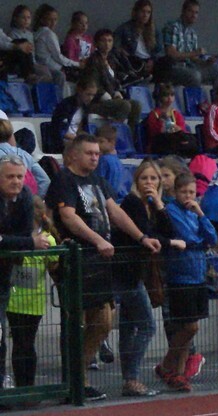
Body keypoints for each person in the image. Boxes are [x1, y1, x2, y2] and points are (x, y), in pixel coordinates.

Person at [46, 134, 161, 401]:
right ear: (73, 155)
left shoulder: (98, 180)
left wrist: (141, 237)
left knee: (103, 322)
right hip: (77, 261)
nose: (95, 157)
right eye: (89, 153)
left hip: (99, 263)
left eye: (97, 153)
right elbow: (68, 217)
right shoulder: (64, 180)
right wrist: (97, 240)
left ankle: (80, 374)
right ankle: (74, 381)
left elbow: (115, 211)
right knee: (77, 324)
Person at [117, 159, 180, 397]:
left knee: (129, 326)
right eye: (144, 178)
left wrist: (160, 204)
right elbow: (147, 237)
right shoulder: (132, 203)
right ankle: (131, 378)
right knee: (146, 325)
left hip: (139, 273)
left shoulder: (152, 206)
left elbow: (169, 230)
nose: (149, 183)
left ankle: (129, 378)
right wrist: (170, 243)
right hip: (127, 272)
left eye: (153, 178)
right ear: (136, 181)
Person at [156, 173, 217, 392]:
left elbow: (212, 238)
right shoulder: (171, 211)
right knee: (189, 326)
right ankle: (167, 364)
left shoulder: (195, 213)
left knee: (189, 327)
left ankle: (178, 372)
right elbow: (186, 236)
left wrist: (201, 214)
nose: (188, 197)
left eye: (192, 193)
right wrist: (197, 240)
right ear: (175, 192)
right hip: (180, 275)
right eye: (184, 192)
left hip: (197, 273)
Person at [0, 156, 51, 393]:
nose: (16, 181)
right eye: (10, 176)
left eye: (19, 176)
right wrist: (26, 241)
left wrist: (18, 242)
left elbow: (19, 238)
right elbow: (24, 240)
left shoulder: (26, 198)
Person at [5, 196, 57, 389]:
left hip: (33, 301)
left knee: (26, 343)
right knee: (21, 343)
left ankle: (27, 386)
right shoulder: (18, 239)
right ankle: (23, 387)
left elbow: (54, 263)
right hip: (15, 299)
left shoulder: (47, 239)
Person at [157, 0, 218, 87]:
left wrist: (206, 62)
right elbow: (171, 54)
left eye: (196, 13)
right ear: (183, 11)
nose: (194, 15)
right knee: (195, 75)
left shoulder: (192, 33)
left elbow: (193, 58)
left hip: (190, 66)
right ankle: (194, 99)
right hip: (173, 67)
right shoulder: (172, 27)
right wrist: (195, 52)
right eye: (190, 11)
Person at [113, 0, 158, 77]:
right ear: (136, 12)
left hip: (149, 60)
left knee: (167, 61)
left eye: (148, 12)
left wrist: (152, 60)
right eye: (143, 11)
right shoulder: (124, 28)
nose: (145, 15)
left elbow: (158, 49)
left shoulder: (154, 30)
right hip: (134, 60)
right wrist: (122, 51)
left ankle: (162, 85)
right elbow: (114, 45)